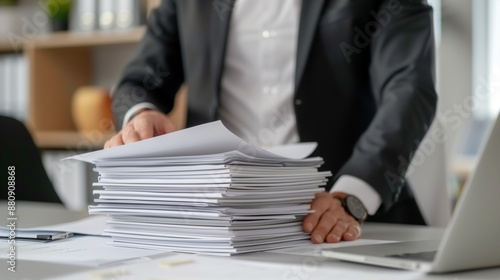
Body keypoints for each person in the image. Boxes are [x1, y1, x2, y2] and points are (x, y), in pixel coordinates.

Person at [105, 0, 437, 244]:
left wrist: (351, 197)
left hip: (349, 220)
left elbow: (408, 90)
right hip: (218, 228)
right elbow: (138, 83)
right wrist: (142, 114)